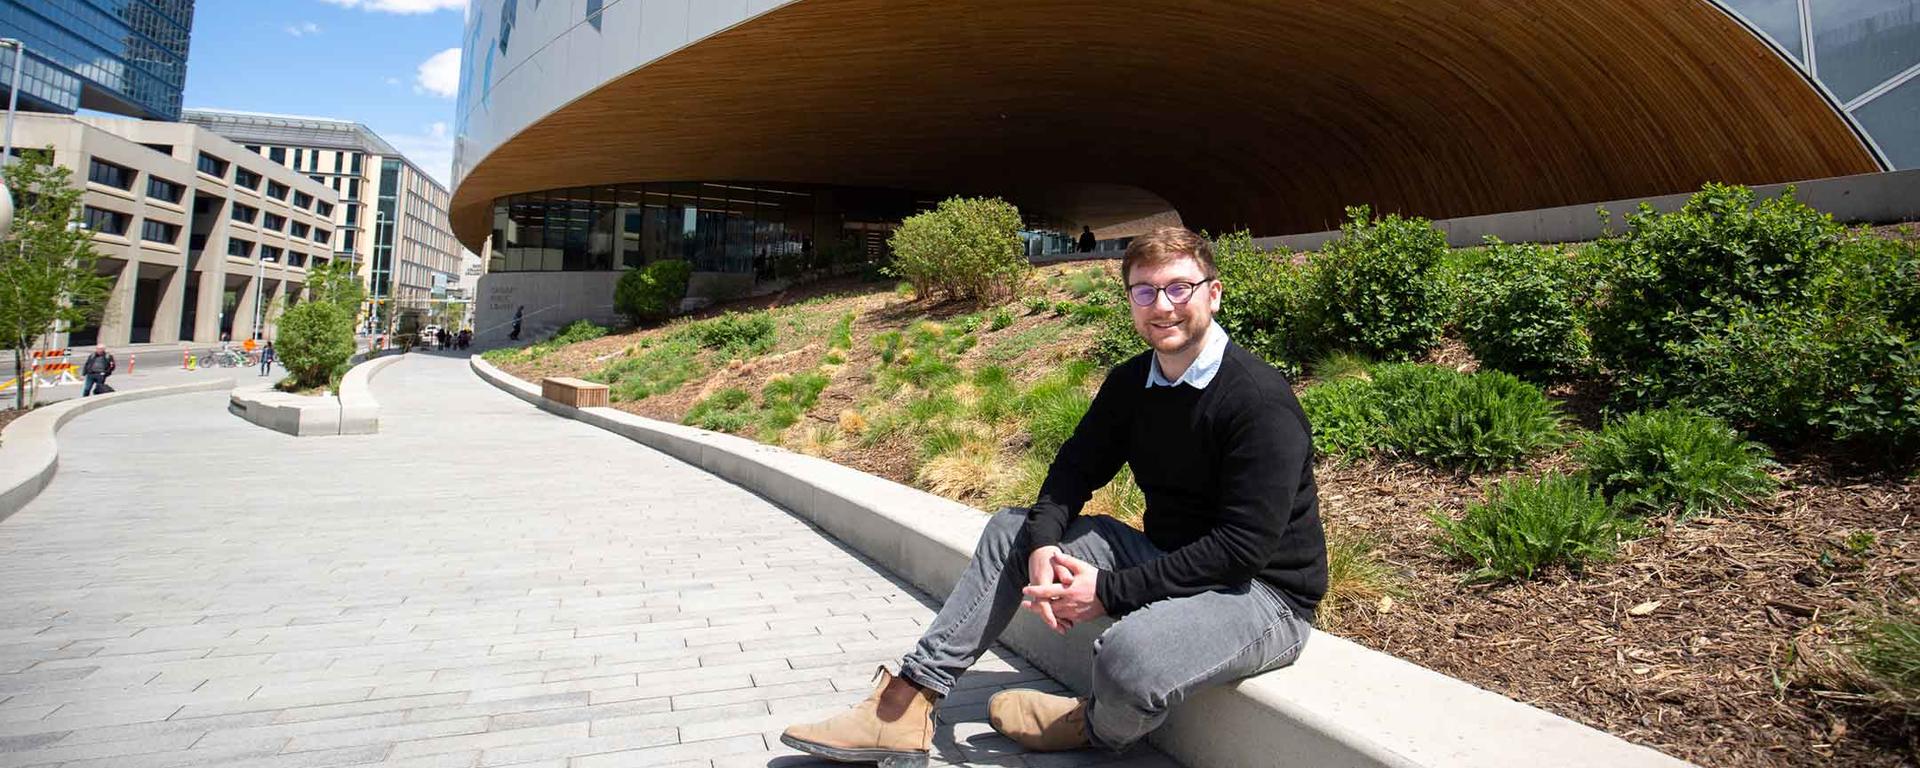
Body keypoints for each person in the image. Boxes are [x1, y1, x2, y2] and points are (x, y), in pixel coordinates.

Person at [781, 227, 1326, 766]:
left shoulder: (1257, 401)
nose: (1162, 306)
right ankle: (906, 702)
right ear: (1131, 300)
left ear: (1214, 292)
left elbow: (1242, 549)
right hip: (1167, 556)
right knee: (1012, 529)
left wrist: (1109, 591)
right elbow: (1072, 471)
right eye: (1144, 291)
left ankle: (1091, 725)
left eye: (1180, 287)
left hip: (1261, 597)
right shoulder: (1133, 382)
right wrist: (1042, 543)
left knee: (1127, 657)